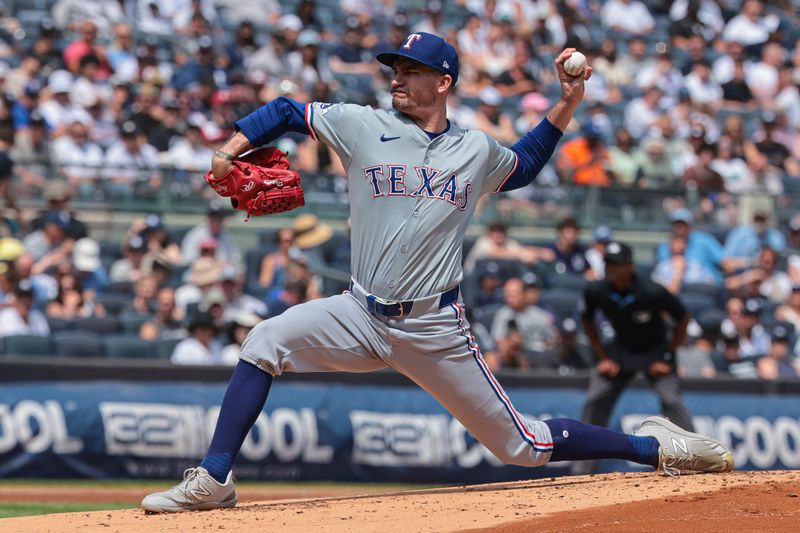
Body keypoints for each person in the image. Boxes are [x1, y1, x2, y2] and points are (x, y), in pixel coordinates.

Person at [142, 33, 732, 514]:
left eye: (411, 69)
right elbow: (284, 112)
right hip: (357, 313)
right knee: (264, 339)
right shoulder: (360, 124)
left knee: (521, 447)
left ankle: (656, 447)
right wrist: (232, 147)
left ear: (443, 82)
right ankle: (214, 480)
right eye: (395, 67)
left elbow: (522, 165)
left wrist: (567, 102)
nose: (397, 76)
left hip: (433, 328)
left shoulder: (473, 150)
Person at [577, 241, 695, 475]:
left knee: (671, 400)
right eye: (608, 263)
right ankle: (582, 469)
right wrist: (601, 357)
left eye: (617, 264)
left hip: (655, 351)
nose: (611, 268)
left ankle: (694, 459)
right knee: (595, 398)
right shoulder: (597, 290)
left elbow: (682, 318)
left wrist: (668, 354)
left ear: (630, 266)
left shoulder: (651, 291)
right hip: (620, 351)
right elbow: (587, 320)